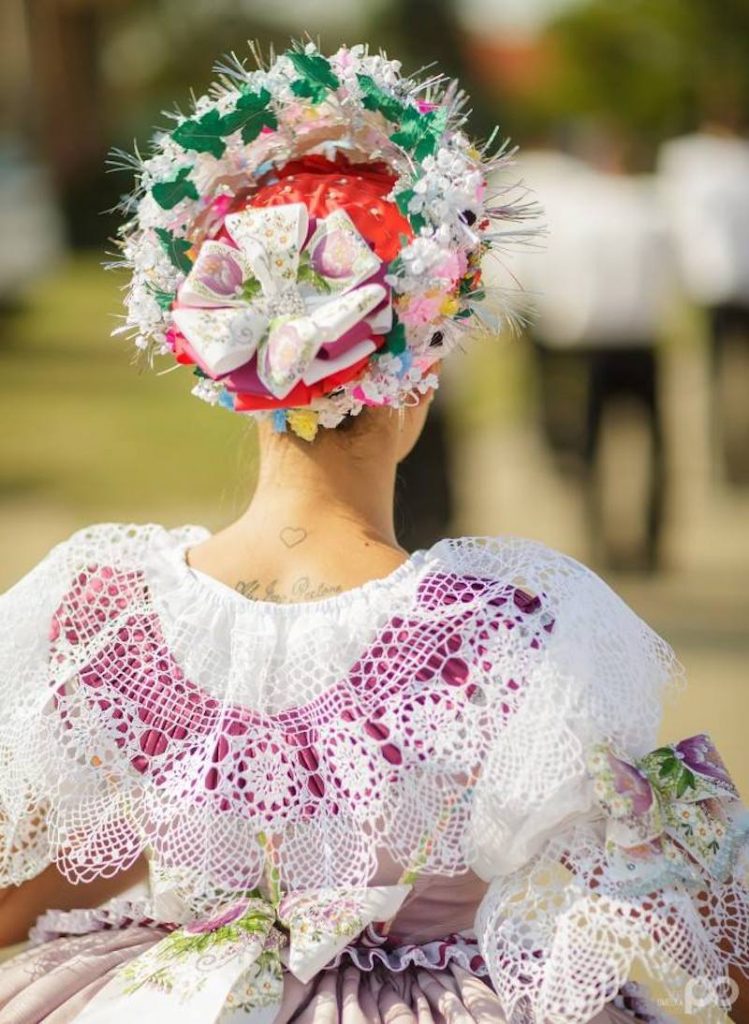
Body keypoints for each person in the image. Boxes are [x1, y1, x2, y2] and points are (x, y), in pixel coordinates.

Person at [0, 42, 747, 1024]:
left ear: (233, 372)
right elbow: (702, 890)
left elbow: (34, 887)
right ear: (420, 372)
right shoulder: (514, 621)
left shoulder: (106, 603)